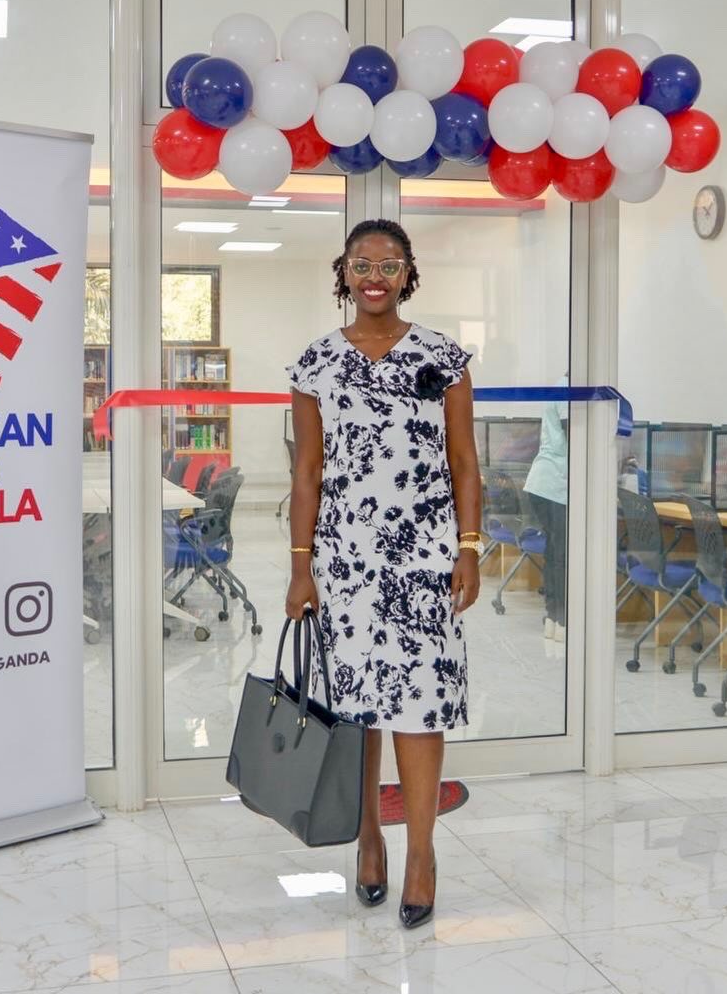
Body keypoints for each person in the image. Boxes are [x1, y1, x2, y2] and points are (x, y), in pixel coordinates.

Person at [285, 219, 482, 930]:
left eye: (389, 263)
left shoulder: (444, 357)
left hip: (425, 557)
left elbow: (465, 463)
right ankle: (368, 835)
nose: (375, 274)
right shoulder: (315, 363)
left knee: (420, 704)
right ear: (343, 271)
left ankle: (422, 853)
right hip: (346, 561)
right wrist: (301, 567)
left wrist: (469, 547)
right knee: (359, 707)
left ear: (407, 272)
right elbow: (308, 472)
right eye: (362, 262)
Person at [524, 378, 568, 643]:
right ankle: (562, 619)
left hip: (544, 482)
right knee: (562, 554)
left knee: (556, 552)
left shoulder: (561, 385)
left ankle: (554, 617)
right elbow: (574, 434)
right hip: (556, 483)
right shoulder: (570, 388)